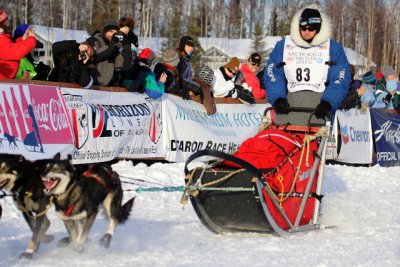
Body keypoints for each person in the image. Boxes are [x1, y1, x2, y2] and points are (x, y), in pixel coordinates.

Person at [264, 5, 351, 125]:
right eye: (303, 28)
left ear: (319, 28)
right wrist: (278, 98)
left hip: (318, 106)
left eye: (311, 29)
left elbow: (340, 78)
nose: (306, 32)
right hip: (289, 105)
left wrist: (328, 102)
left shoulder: (333, 48)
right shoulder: (283, 46)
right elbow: (273, 73)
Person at [0, 9, 36, 79]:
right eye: (3, 22)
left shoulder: (3, 39)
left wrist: (23, 41)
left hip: (5, 81)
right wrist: (30, 40)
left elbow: (10, 48)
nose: (6, 24)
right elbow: (14, 52)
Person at [84, 21, 123, 86]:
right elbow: (93, 57)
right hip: (91, 85)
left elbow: (122, 66)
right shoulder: (93, 40)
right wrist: (111, 47)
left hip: (108, 88)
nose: (113, 34)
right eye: (111, 31)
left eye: (115, 32)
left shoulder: (117, 46)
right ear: (104, 32)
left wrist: (126, 47)